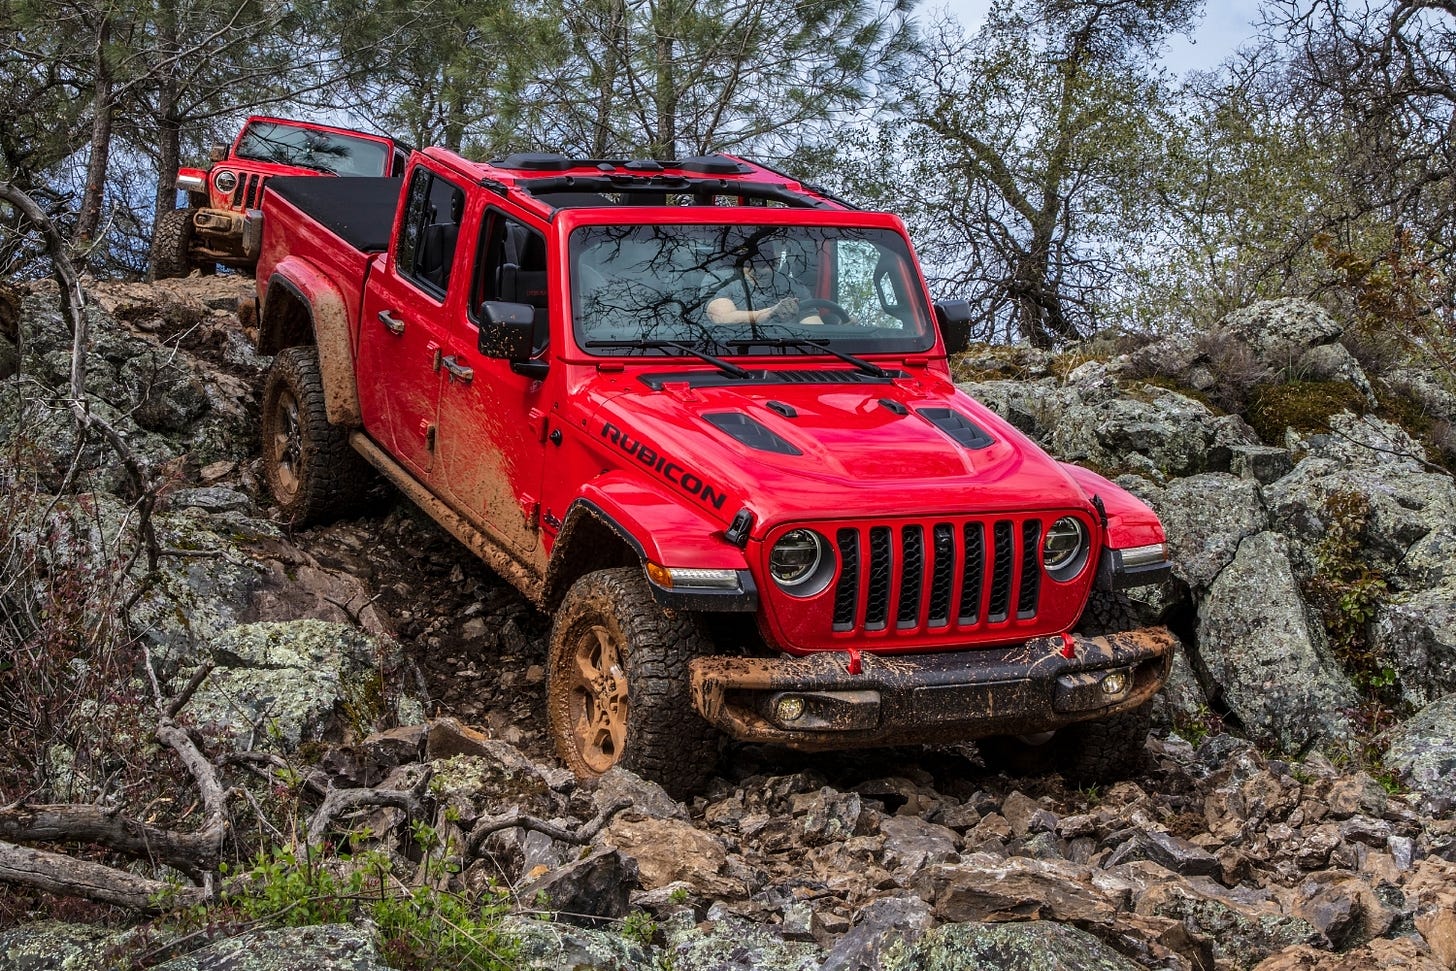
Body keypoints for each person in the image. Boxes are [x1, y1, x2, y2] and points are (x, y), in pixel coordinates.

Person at [705, 247, 820, 326]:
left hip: (790, 350)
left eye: (768, 263)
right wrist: (769, 313)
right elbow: (722, 318)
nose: (761, 270)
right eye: (754, 263)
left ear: (777, 258)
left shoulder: (792, 286)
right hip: (731, 348)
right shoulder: (720, 279)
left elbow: (812, 322)